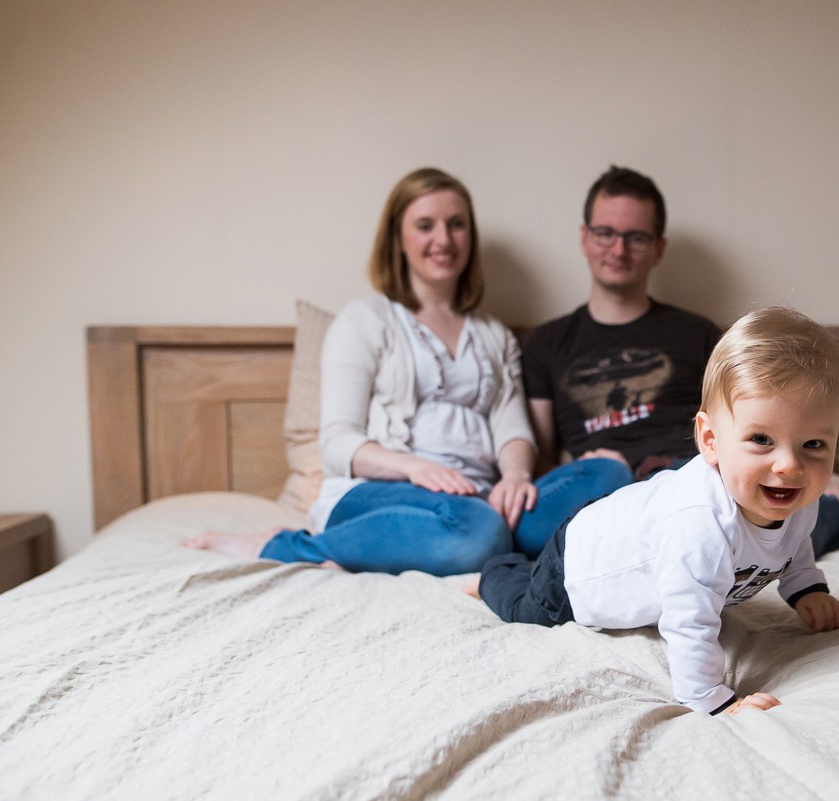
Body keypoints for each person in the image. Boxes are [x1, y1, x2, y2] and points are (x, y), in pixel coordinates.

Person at [183, 168, 632, 573]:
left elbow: (512, 426)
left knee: (609, 475)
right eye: (425, 226)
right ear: (398, 238)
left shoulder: (494, 335)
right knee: (474, 529)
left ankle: (490, 545)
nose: (444, 239)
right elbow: (338, 443)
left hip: (481, 501)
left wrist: (514, 477)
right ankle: (290, 547)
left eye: (457, 224)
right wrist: (415, 468)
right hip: (380, 496)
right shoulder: (362, 321)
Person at [522, 165, 839, 557]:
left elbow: (762, 422)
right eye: (604, 233)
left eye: (636, 237)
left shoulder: (696, 333)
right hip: (605, 483)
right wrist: (585, 470)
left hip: (695, 474)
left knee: (754, 508)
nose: (618, 249)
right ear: (584, 238)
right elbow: (541, 460)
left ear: (658, 248)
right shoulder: (546, 342)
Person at [477, 306, 839, 715]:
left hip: (630, 527)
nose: (789, 466)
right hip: (577, 567)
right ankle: (496, 570)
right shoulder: (700, 525)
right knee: (525, 609)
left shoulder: (797, 496)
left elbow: (794, 546)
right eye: (761, 439)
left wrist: (806, 589)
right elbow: (689, 623)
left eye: (813, 445)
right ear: (710, 439)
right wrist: (711, 699)